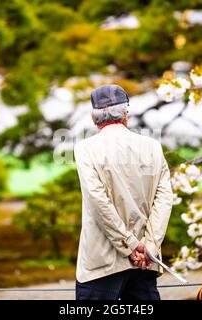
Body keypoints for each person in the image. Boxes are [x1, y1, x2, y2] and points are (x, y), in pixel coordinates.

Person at [73, 84, 173, 300]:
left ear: (93, 117)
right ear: (126, 115)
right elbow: (164, 199)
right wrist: (149, 246)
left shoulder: (85, 149)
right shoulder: (152, 146)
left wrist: (130, 244)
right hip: (145, 261)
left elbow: (98, 202)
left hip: (101, 263)